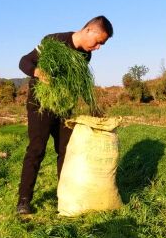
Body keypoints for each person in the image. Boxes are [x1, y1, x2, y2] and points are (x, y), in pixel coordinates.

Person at [17, 15, 113, 215]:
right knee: (36, 150)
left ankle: (65, 196)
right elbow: (24, 61)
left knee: (66, 151)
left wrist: (92, 105)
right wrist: (37, 72)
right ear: (88, 30)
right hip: (40, 105)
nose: (98, 48)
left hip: (64, 108)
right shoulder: (54, 41)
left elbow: (79, 83)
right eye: (98, 43)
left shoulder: (85, 56)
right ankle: (24, 201)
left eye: (101, 45)